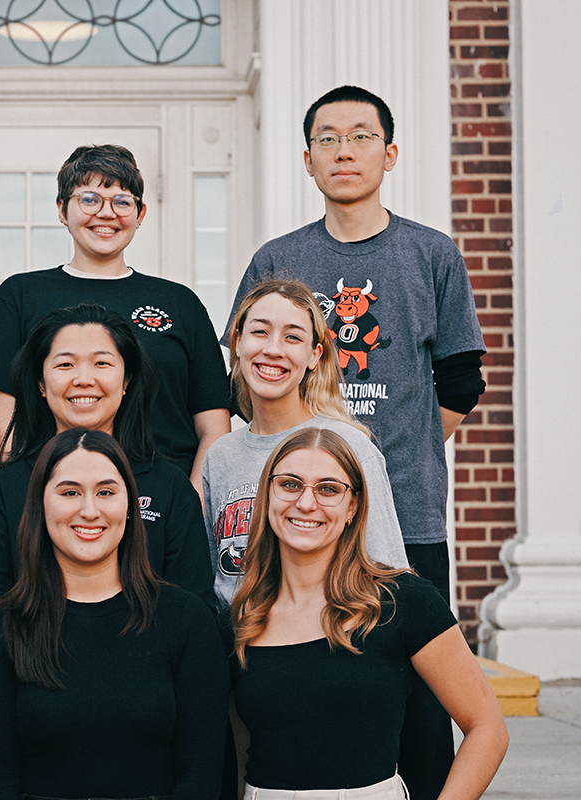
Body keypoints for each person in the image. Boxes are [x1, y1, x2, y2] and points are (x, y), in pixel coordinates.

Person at [225, 85, 486, 799]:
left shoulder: (431, 253)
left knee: (424, 712)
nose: (345, 150)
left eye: (362, 136)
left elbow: (462, 381)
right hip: (302, 524)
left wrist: (385, 457)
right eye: (329, 138)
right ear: (306, 160)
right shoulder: (278, 258)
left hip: (411, 517)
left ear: (390, 152)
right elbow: (244, 381)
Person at [230, 428, 507, 800]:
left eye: (328, 488)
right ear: (268, 496)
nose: (306, 503)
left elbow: (487, 727)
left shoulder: (403, 602)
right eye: (290, 484)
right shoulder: (241, 619)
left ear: (353, 507)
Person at [0, 429, 228, 800]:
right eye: (69, 492)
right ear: (40, 505)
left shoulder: (186, 621)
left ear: (130, 506)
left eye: (106, 492)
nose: (89, 510)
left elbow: (204, 775)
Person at [0, 144, 230, 489]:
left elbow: (213, 424)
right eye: (89, 199)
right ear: (62, 209)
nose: (106, 214)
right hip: (54, 496)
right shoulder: (19, 296)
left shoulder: (180, 302)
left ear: (140, 214)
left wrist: (191, 500)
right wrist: (53, 492)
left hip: (162, 501)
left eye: (122, 202)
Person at [0, 303, 215, 623]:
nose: (83, 379)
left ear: (127, 381)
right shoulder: (2, 492)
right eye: (65, 365)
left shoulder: (170, 487)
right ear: (40, 383)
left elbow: (194, 612)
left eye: (101, 363)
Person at [205, 280, 407, 606]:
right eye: (260, 332)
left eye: (293, 337)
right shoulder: (221, 456)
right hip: (239, 647)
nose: (273, 349)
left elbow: (388, 575)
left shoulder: (349, 447)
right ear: (238, 343)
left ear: (315, 355)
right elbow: (218, 579)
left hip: (327, 644)